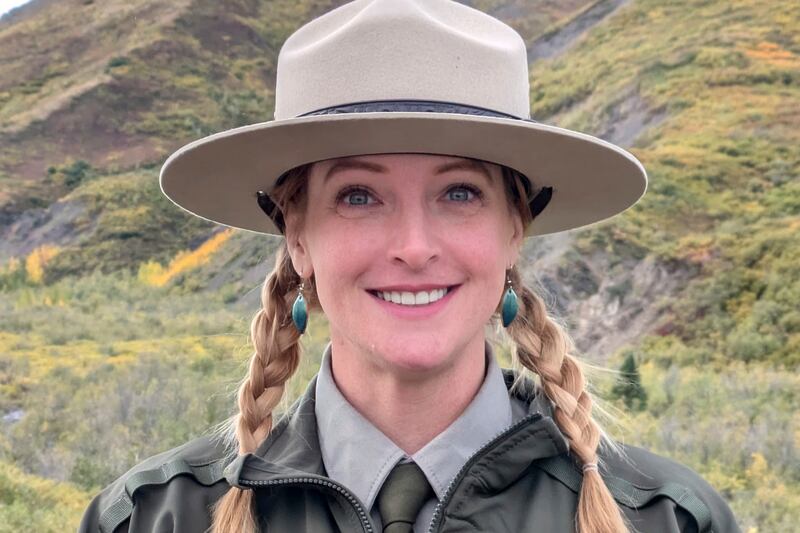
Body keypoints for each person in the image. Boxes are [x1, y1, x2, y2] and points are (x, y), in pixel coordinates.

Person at [79, 1, 741, 532]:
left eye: (459, 192)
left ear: (516, 229)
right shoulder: (151, 517)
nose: (415, 244)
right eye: (358, 196)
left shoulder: (667, 518)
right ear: (297, 237)